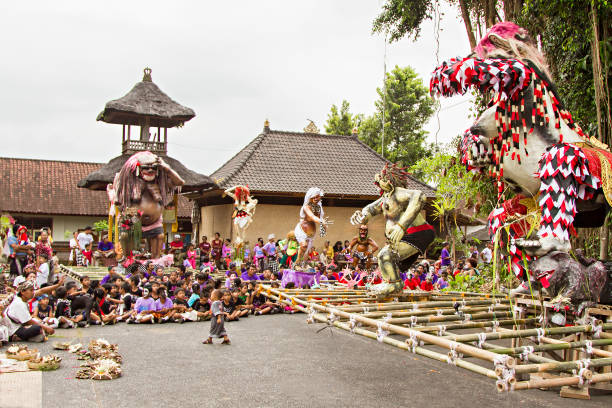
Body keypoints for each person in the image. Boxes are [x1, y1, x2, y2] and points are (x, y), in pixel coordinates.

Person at [294, 187, 328, 265]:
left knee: (307, 251)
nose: (316, 199)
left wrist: (324, 226)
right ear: (310, 197)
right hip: (302, 230)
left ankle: (303, 265)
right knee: (303, 246)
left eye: (317, 197)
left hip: (311, 233)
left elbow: (319, 218)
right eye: (314, 197)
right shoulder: (306, 207)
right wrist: (321, 221)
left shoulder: (318, 208)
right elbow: (312, 217)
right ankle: (296, 264)